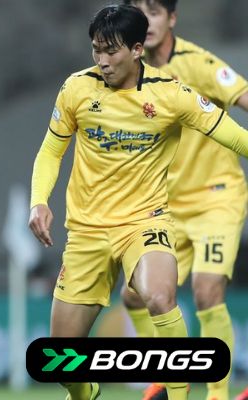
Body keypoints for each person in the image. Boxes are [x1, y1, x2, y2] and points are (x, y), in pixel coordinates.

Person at [28, 5, 248, 400]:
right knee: (60, 360)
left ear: (135, 49)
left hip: (145, 224)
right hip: (86, 232)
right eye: (96, 50)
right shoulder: (77, 88)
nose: (102, 61)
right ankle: (85, 390)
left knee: (160, 296)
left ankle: (182, 394)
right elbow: (50, 151)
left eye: (111, 51)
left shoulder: (171, 95)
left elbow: (234, 137)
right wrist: (38, 201)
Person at [115, 1, 248, 399]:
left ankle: (218, 394)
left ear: (171, 18)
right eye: (139, 14)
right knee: (134, 296)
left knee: (207, 291)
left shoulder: (198, 63)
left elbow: (243, 96)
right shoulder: (128, 76)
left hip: (216, 198)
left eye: (155, 12)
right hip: (167, 207)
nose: (147, 22)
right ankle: (164, 370)